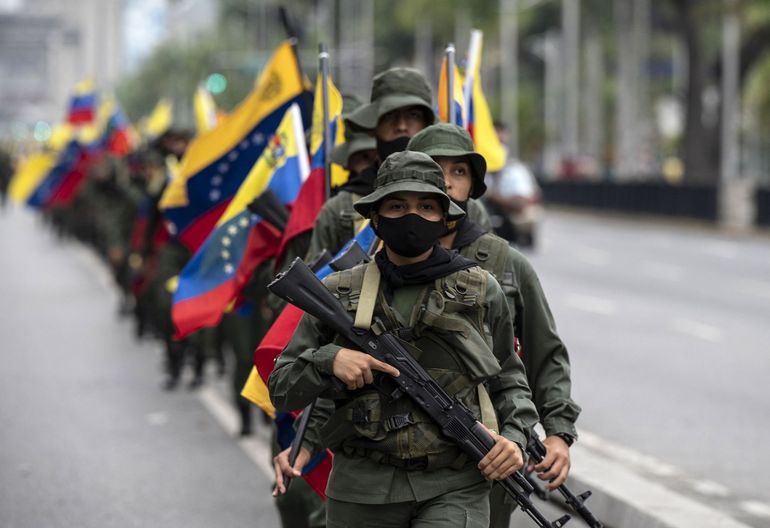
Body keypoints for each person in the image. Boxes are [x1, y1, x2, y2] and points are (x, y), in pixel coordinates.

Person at [269, 151, 537, 528]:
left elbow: (510, 380)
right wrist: (329, 361)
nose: (412, 217)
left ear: (445, 216)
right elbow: (281, 387)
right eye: (397, 206)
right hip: (362, 488)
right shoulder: (337, 292)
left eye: (426, 206)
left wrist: (515, 438)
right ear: (375, 217)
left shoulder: (480, 290)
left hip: (455, 483)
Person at [406, 123, 581, 528]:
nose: (447, 183)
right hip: (395, 455)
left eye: (459, 172)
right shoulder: (379, 258)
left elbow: (544, 353)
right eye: (435, 169)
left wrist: (557, 433)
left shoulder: (505, 264)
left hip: (487, 452)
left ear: (473, 184)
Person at [305, 67, 491, 264]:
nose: (402, 125)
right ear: (373, 126)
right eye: (390, 115)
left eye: (413, 115)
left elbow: (492, 262)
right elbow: (306, 285)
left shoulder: (465, 206)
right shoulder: (339, 209)